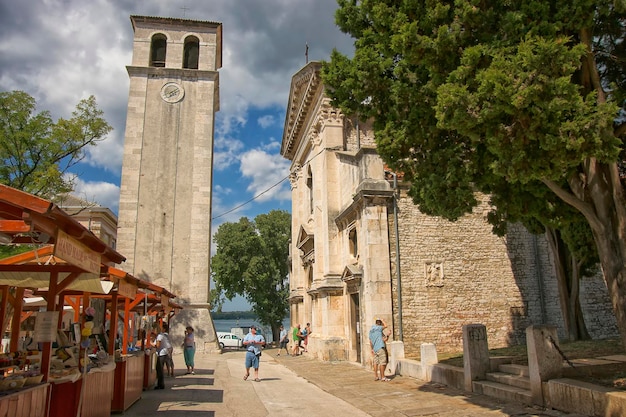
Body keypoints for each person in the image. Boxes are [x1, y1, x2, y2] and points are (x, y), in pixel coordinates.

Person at [155, 322, 172, 389]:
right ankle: (160, 384)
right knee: (160, 369)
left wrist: (150, 343)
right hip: (164, 352)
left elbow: (157, 345)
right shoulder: (161, 335)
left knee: (159, 369)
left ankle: (161, 384)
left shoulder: (160, 336)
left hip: (162, 353)